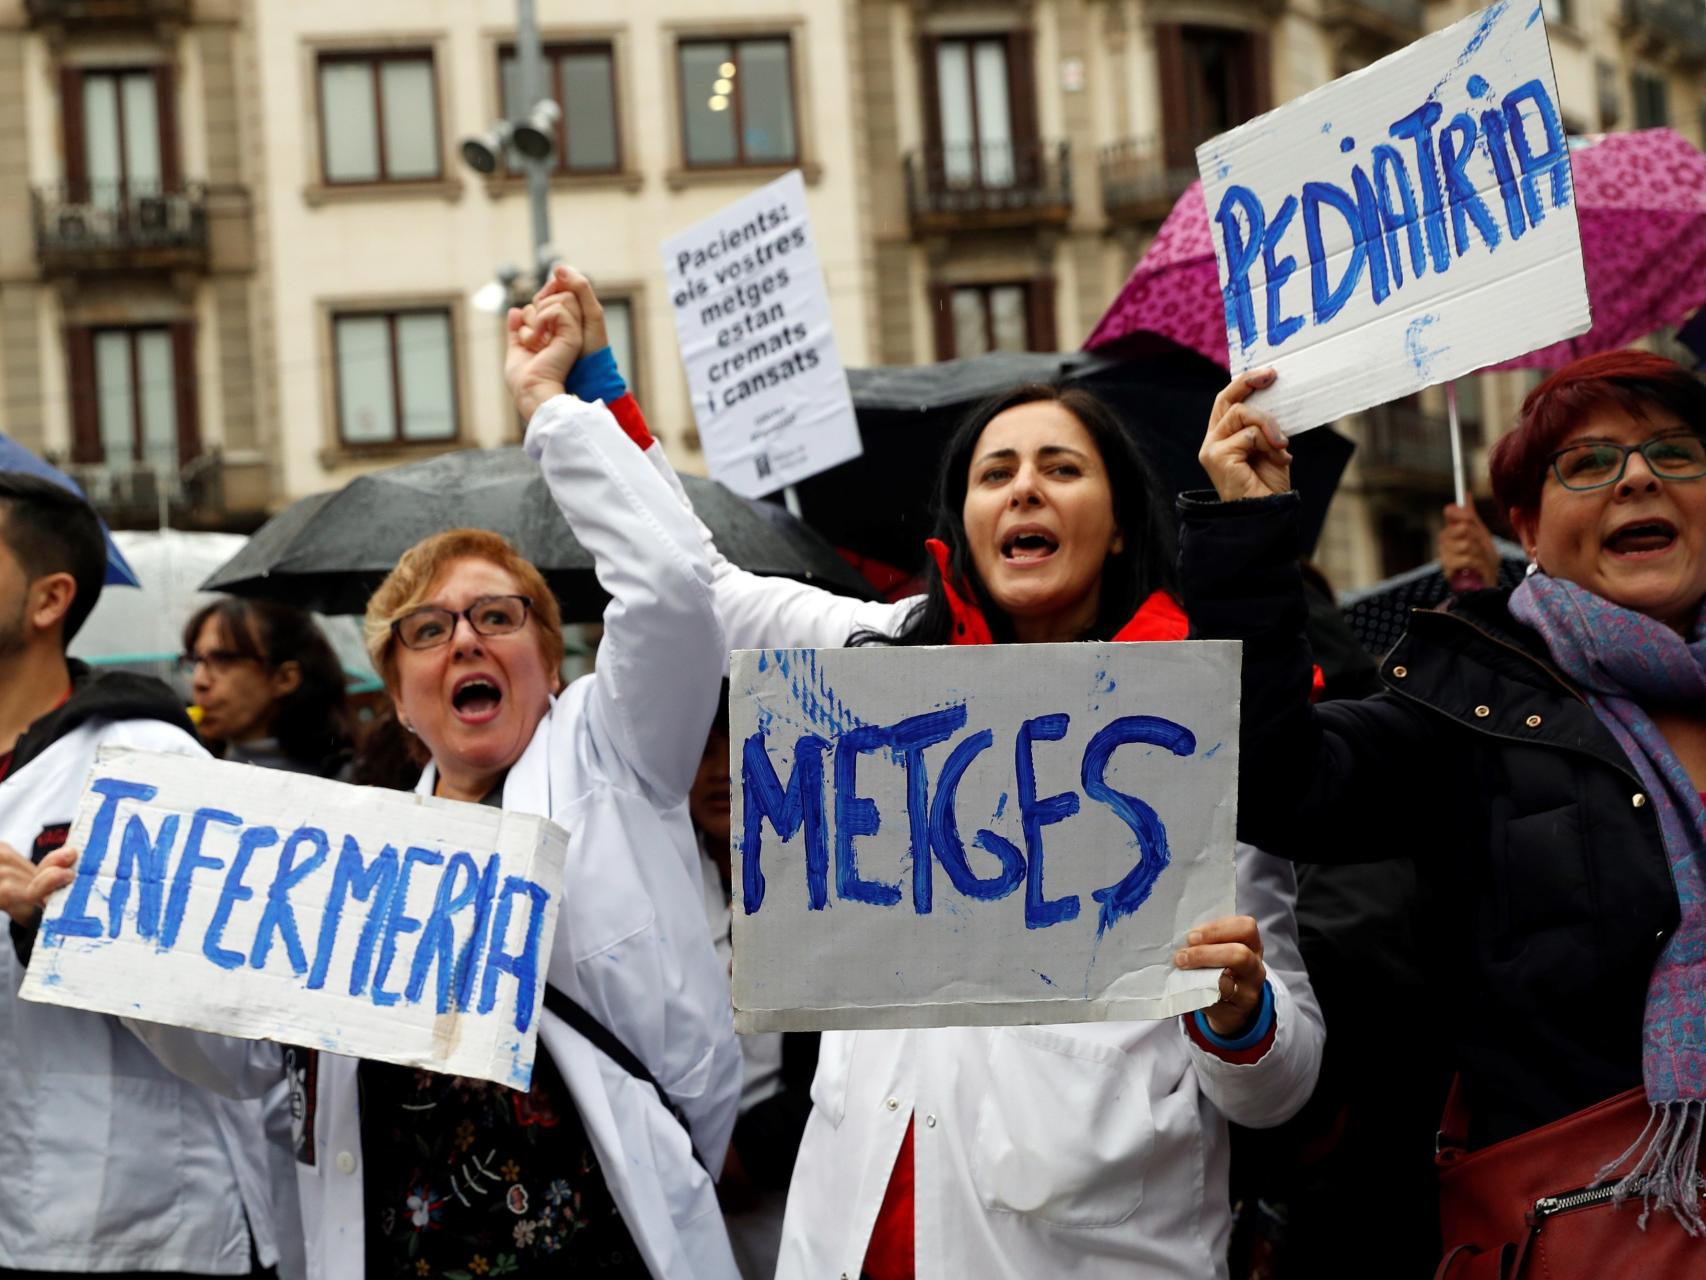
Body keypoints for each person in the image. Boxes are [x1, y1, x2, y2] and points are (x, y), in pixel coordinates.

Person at [518, 267, 1324, 1279]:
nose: (1023, 487)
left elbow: (1278, 1085)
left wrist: (1240, 1014)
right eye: (995, 473)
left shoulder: (1198, 724)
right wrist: (583, 393)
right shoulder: (883, 665)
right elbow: (705, 586)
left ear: (1118, 519)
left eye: (1059, 468)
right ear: (966, 524)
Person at [42, 292, 745, 1280]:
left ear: (550, 660)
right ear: (401, 697)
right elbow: (253, 1063)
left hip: (602, 1247)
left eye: (497, 617)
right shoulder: (350, 845)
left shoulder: (610, 751)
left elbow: (674, 591)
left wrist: (555, 403)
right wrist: (102, 918)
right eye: (427, 628)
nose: (463, 636)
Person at [1183, 351, 1706, 1263]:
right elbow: (1274, 782)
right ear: (1528, 529)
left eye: (1675, 454)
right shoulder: (1465, 707)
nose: (1635, 477)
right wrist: (1249, 533)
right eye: (1588, 462)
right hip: (1594, 1233)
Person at [0, 473, 292, 1280]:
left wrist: (52, 928)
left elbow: (246, 1046)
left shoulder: (152, 765)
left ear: (48, 598)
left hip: (139, 1228)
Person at [689, 686, 819, 1280]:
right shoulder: (654, 886)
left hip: (797, 1192)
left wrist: (749, 1154)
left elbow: (852, 1053)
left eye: (738, 748)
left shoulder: (823, 881)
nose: (720, 773)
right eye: (700, 750)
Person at [181, 597, 355, 778]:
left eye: (223, 659)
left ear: (285, 678)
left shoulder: (349, 784)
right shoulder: (189, 767)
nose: (199, 681)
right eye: (196, 660)